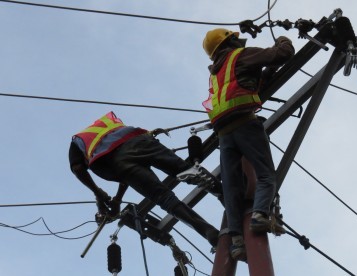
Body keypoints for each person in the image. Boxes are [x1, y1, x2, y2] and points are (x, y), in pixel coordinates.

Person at [202, 28, 295, 260]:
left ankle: (236, 242)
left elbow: (246, 84)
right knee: (266, 175)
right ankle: (259, 216)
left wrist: (266, 73)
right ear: (230, 40)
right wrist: (282, 39)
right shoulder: (240, 55)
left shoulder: (216, 73)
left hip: (223, 132)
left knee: (232, 189)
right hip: (244, 122)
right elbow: (284, 53)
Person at [68, 111, 219, 247]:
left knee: (164, 198)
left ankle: (207, 231)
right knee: (184, 169)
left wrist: (98, 193)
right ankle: (223, 194)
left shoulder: (77, 141)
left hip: (120, 163)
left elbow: (78, 169)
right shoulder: (105, 122)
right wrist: (117, 199)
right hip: (141, 141)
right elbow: (124, 176)